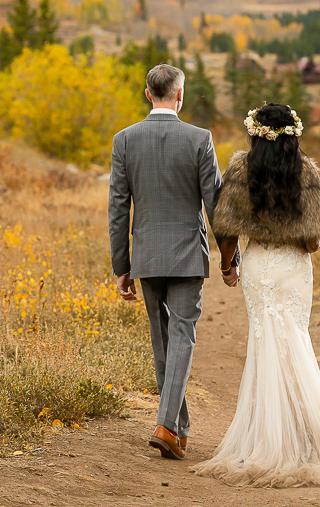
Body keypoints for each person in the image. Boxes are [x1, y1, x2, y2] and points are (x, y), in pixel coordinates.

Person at [193, 103, 320, 486]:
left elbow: (228, 229)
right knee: (294, 340)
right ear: (294, 135)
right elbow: (313, 242)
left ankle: (264, 438)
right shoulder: (308, 172)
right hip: (293, 268)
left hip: (260, 267)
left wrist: (228, 266)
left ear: (255, 133)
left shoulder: (239, 170)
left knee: (265, 344)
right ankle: (303, 439)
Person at [108, 64, 240, 461]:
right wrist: (228, 259)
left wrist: (121, 264)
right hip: (186, 254)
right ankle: (167, 424)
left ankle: (176, 430)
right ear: (179, 95)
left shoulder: (124, 140)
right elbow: (214, 203)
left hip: (147, 254)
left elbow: (118, 206)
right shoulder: (200, 139)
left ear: (149, 94)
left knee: (162, 339)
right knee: (181, 335)